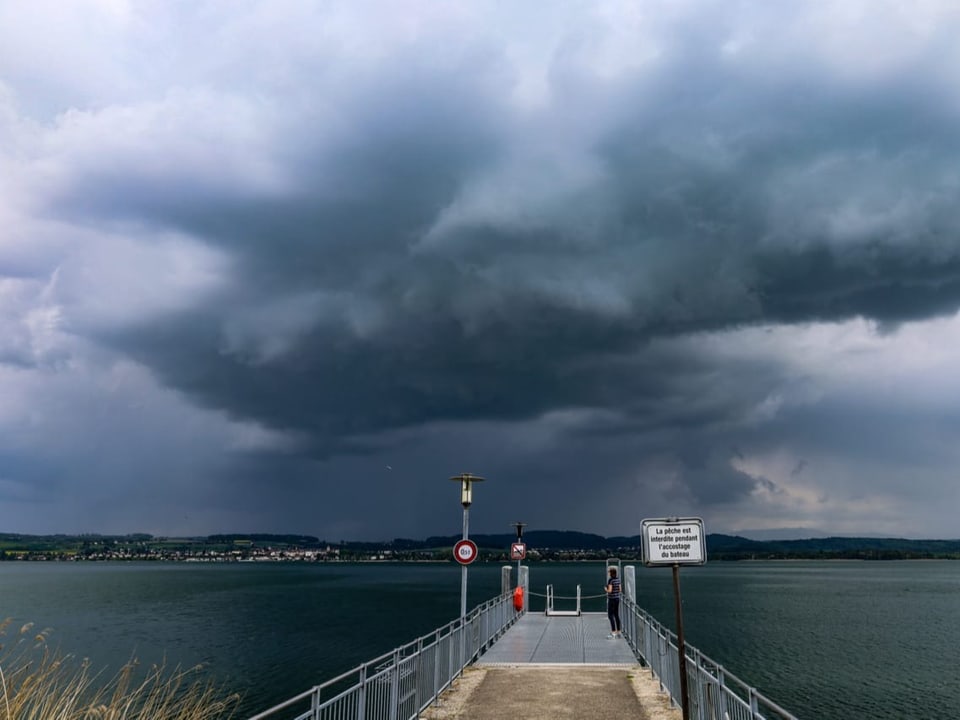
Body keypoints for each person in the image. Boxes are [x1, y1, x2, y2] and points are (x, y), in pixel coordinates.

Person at [605, 566, 622, 638]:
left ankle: (613, 632)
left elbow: (610, 591)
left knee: (610, 615)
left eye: (609, 572)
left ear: (611, 573)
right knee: (616, 615)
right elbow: (620, 590)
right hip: (617, 599)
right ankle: (619, 632)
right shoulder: (618, 580)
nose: (609, 574)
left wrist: (606, 589)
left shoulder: (610, 580)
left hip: (612, 599)